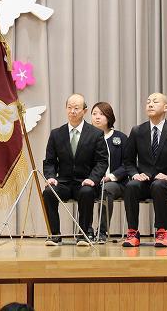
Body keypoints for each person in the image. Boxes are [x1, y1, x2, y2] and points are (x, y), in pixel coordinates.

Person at [122, 93, 167, 247]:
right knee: (131, 186)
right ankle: (132, 232)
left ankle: (162, 231)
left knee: (159, 185)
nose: (150, 104)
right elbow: (128, 161)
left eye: (155, 102)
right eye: (148, 102)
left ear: (166, 107)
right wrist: (135, 174)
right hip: (144, 182)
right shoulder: (137, 131)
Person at [42, 94, 109, 246]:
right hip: (63, 182)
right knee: (48, 192)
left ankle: (83, 234)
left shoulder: (95, 134)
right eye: (69, 108)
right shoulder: (56, 134)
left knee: (86, 192)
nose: (72, 111)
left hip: (85, 182)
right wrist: (51, 177)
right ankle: (54, 234)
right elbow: (50, 161)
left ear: (84, 111)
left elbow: (102, 162)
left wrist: (93, 179)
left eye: (76, 108)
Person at [90, 101, 128, 243]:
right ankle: (86, 230)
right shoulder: (87, 137)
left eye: (101, 114)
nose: (97, 117)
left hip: (116, 183)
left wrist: (111, 177)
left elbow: (128, 164)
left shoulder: (121, 138)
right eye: (94, 114)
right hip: (93, 180)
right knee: (84, 191)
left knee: (106, 189)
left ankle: (102, 231)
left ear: (109, 117)